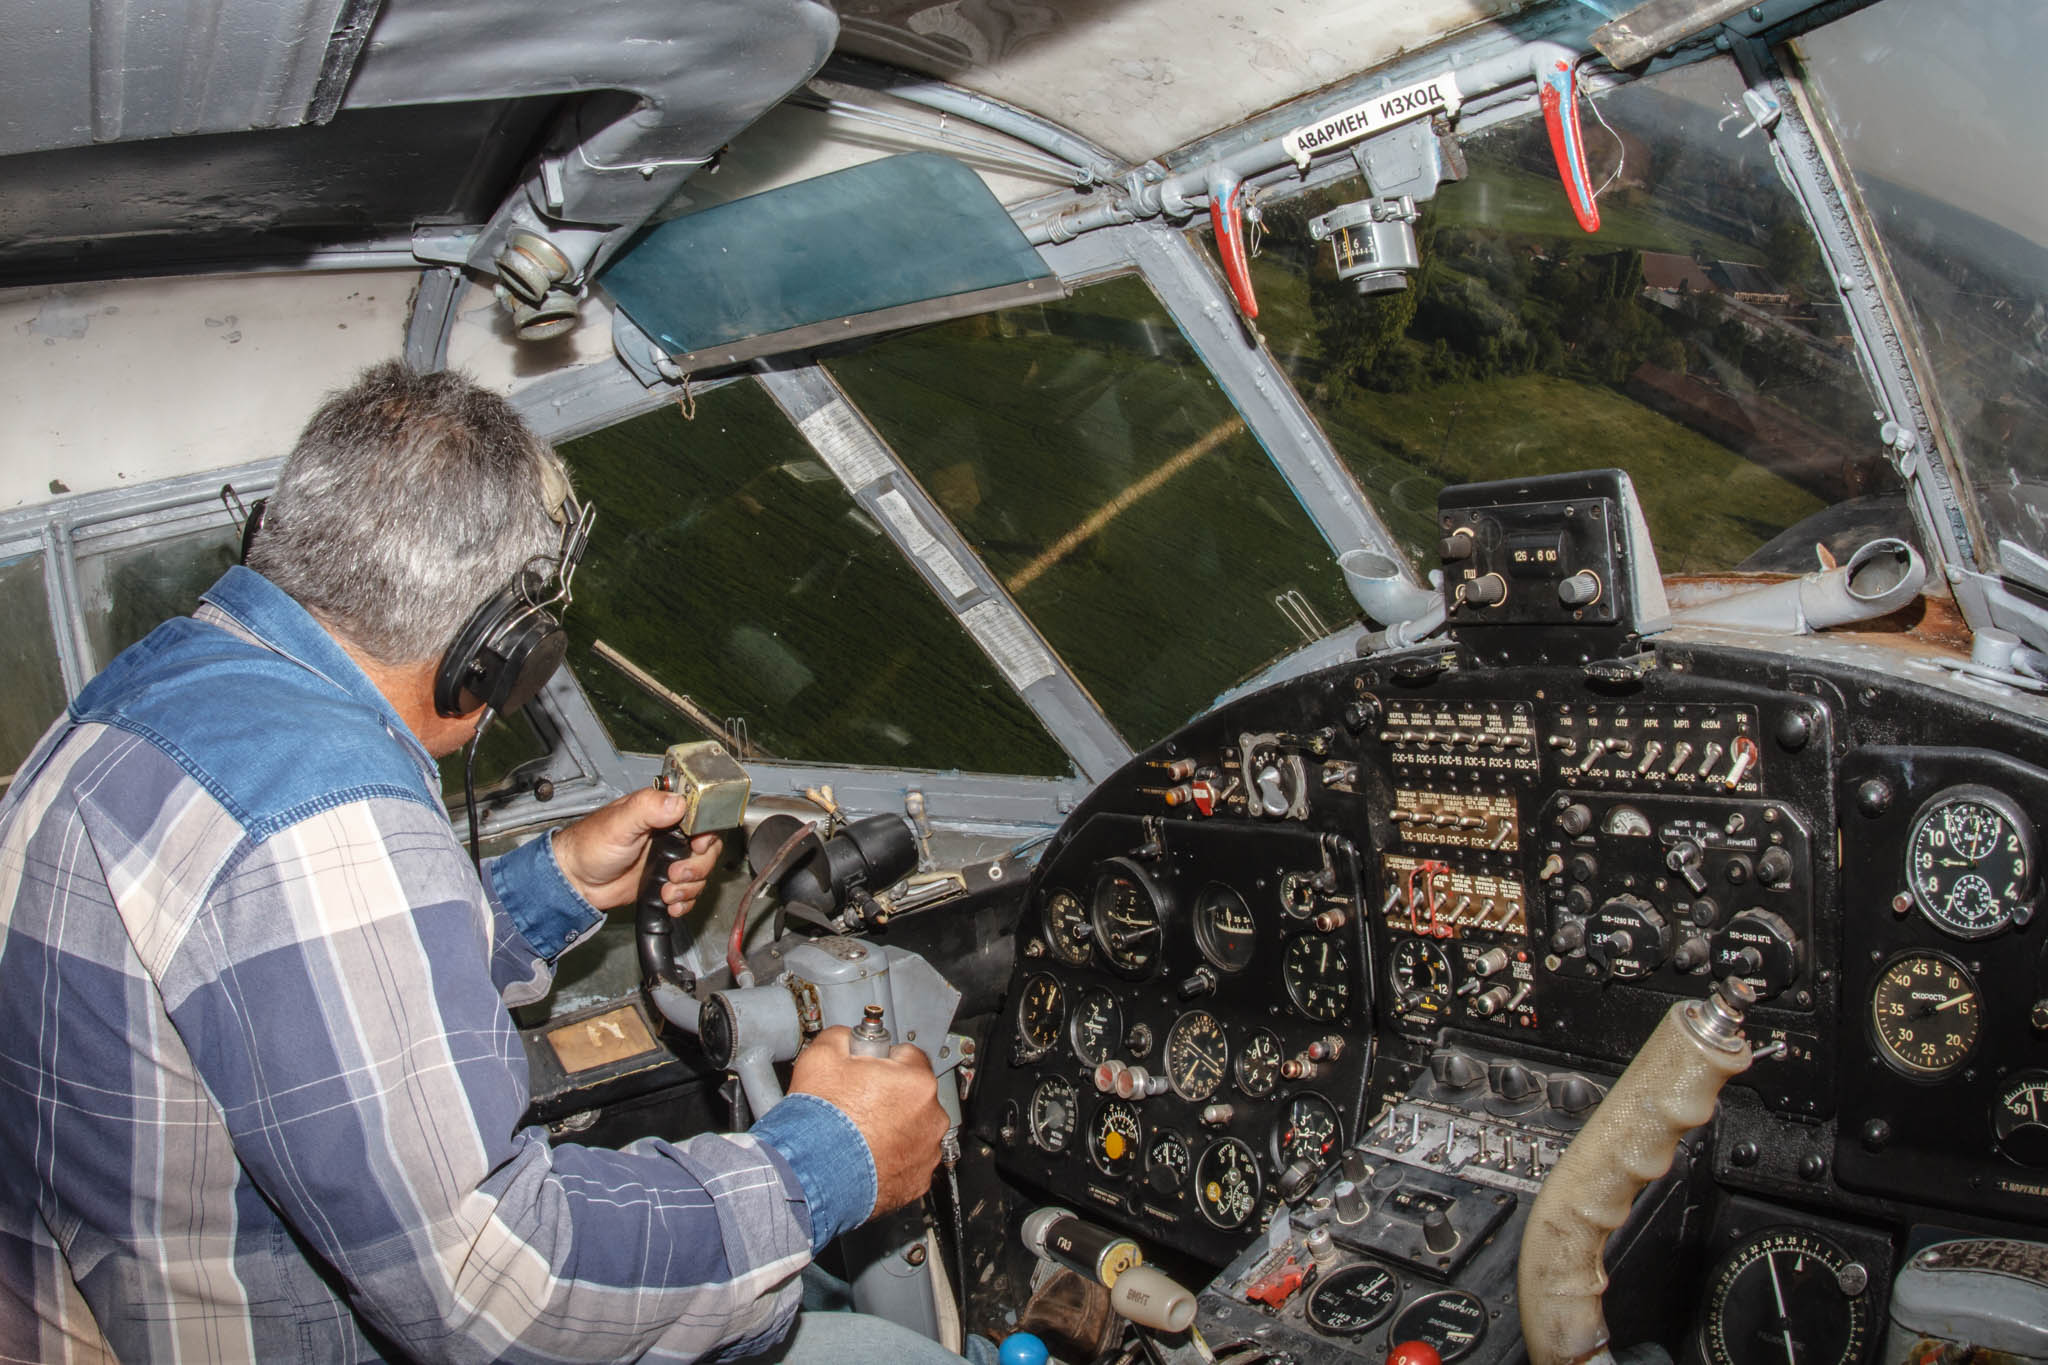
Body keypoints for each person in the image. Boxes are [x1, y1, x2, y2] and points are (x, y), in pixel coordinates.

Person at [0, 363, 956, 1363]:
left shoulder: (146, 696)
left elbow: (287, 991)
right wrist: (826, 1163)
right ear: (490, 652)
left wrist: (554, 886)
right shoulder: (326, 817)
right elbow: (498, 1294)